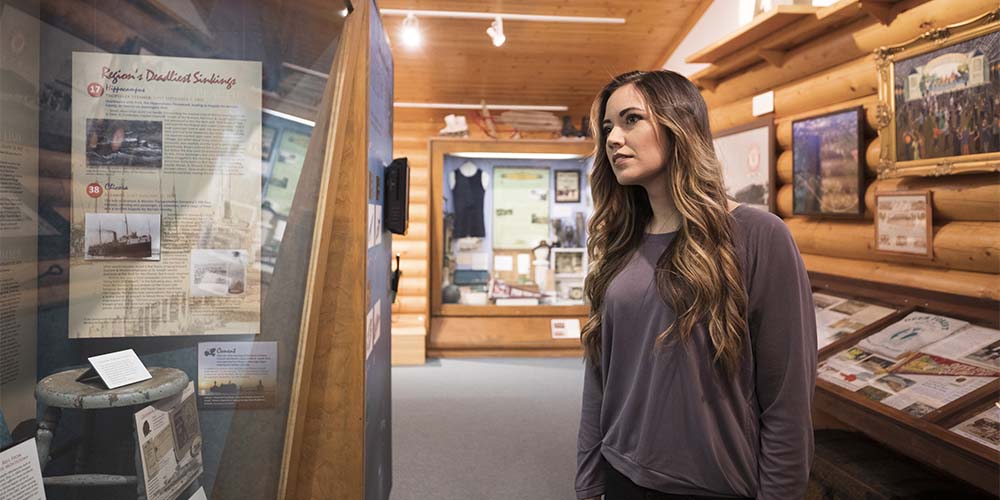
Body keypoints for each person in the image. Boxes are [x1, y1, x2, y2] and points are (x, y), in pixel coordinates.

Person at [576, 70, 816, 500]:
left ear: (678, 126)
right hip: (622, 476)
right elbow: (600, 375)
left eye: (631, 120)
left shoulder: (757, 235)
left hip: (712, 486)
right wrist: (589, 478)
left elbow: (787, 400)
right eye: (608, 127)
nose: (613, 139)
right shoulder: (620, 241)